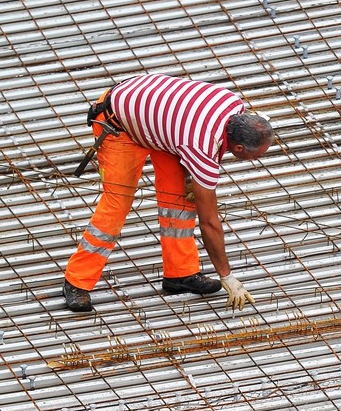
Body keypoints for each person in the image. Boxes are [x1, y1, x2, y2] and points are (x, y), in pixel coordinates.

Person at [62, 73, 274, 313]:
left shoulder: (235, 107)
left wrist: (191, 178)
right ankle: (77, 281)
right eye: (255, 156)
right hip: (119, 124)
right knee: (116, 205)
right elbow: (209, 222)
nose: (256, 162)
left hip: (160, 126)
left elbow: (191, 134)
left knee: (181, 197)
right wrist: (227, 276)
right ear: (238, 147)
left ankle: (180, 274)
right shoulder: (201, 144)